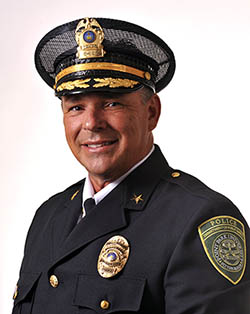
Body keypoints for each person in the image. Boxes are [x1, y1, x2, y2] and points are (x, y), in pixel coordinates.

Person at [12, 17, 249, 314]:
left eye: (112, 103)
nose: (91, 123)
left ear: (151, 112)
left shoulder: (199, 219)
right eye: (75, 106)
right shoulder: (49, 216)